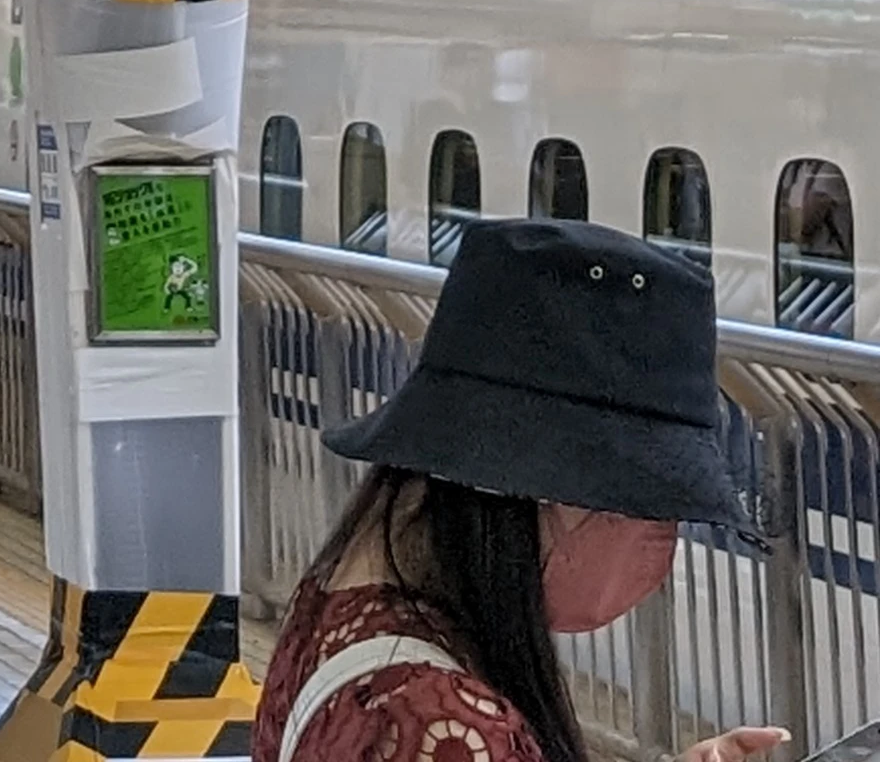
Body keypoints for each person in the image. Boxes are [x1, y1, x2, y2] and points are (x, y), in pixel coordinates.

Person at [256, 218, 786, 762]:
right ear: (559, 489)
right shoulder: (439, 724)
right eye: (655, 509)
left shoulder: (343, 599)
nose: (663, 546)